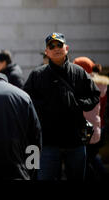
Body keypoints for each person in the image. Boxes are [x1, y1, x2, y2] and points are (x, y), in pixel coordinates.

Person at [24, 33, 100, 180]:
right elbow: (27, 100)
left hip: (76, 141)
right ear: (46, 51)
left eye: (59, 45)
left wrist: (78, 104)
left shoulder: (79, 72)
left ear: (66, 48)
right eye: (51, 46)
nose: (56, 48)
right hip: (48, 143)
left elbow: (94, 95)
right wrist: (46, 107)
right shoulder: (37, 75)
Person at [73, 57, 107, 181]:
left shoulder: (85, 86)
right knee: (90, 158)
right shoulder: (99, 86)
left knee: (84, 161)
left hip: (87, 128)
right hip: (97, 127)